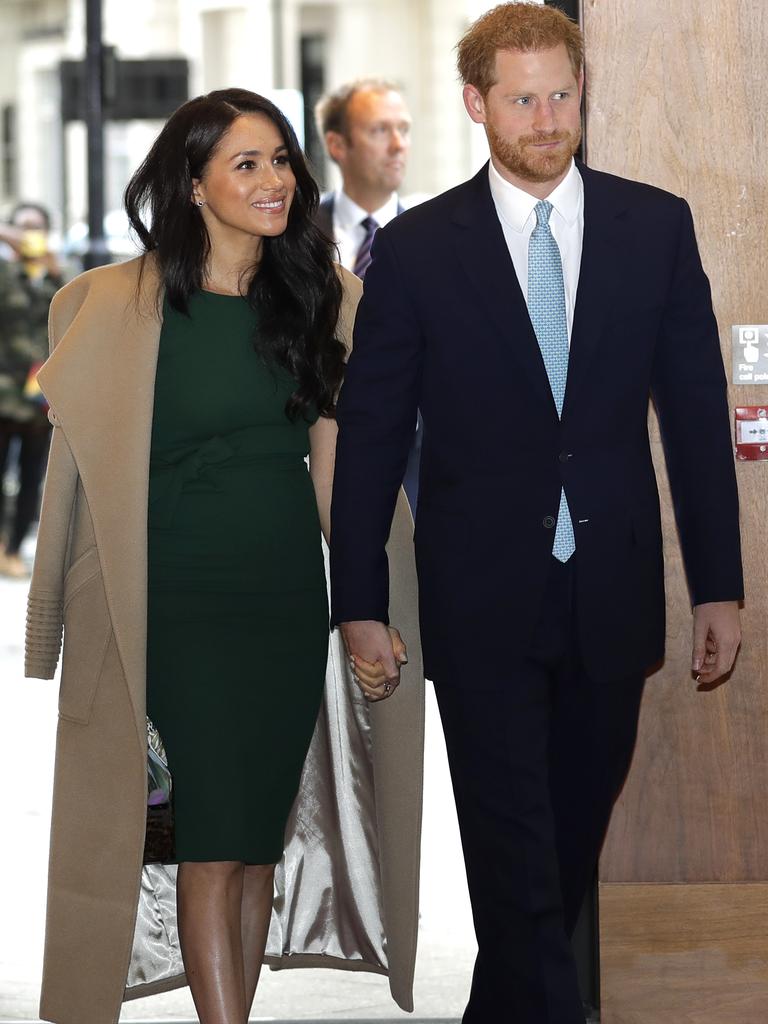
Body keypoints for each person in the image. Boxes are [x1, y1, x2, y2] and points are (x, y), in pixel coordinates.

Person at [330, 5, 743, 1023]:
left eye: (562, 93)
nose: (549, 117)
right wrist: (361, 601)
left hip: (612, 595)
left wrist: (720, 585)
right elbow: (372, 435)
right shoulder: (419, 252)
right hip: (479, 604)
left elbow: (694, 417)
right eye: (524, 98)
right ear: (477, 104)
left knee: (556, 849)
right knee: (512, 844)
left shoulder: (655, 226)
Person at [25, 88, 423, 1024]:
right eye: (246, 164)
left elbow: (336, 479)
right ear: (194, 183)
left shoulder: (324, 298)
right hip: (169, 610)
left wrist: (366, 607)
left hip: (282, 606)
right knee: (202, 843)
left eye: (281, 160)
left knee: (252, 848)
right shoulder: (114, 304)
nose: (275, 179)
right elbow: (73, 482)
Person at [314, 79, 421, 510]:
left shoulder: (427, 241)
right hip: (314, 462)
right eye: (380, 130)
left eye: (404, 129)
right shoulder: (293, 236)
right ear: (337, 144)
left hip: (414, 471)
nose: (398, 145)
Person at [0, 202, 62, 577]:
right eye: (23, 227)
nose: (29, 235)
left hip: (41, 393)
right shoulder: (6, 273)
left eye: (36, 227)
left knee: (31, 476)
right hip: (4, 390)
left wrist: (52, 267)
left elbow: (75, 305)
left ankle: (13, 548)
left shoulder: (57, 272)